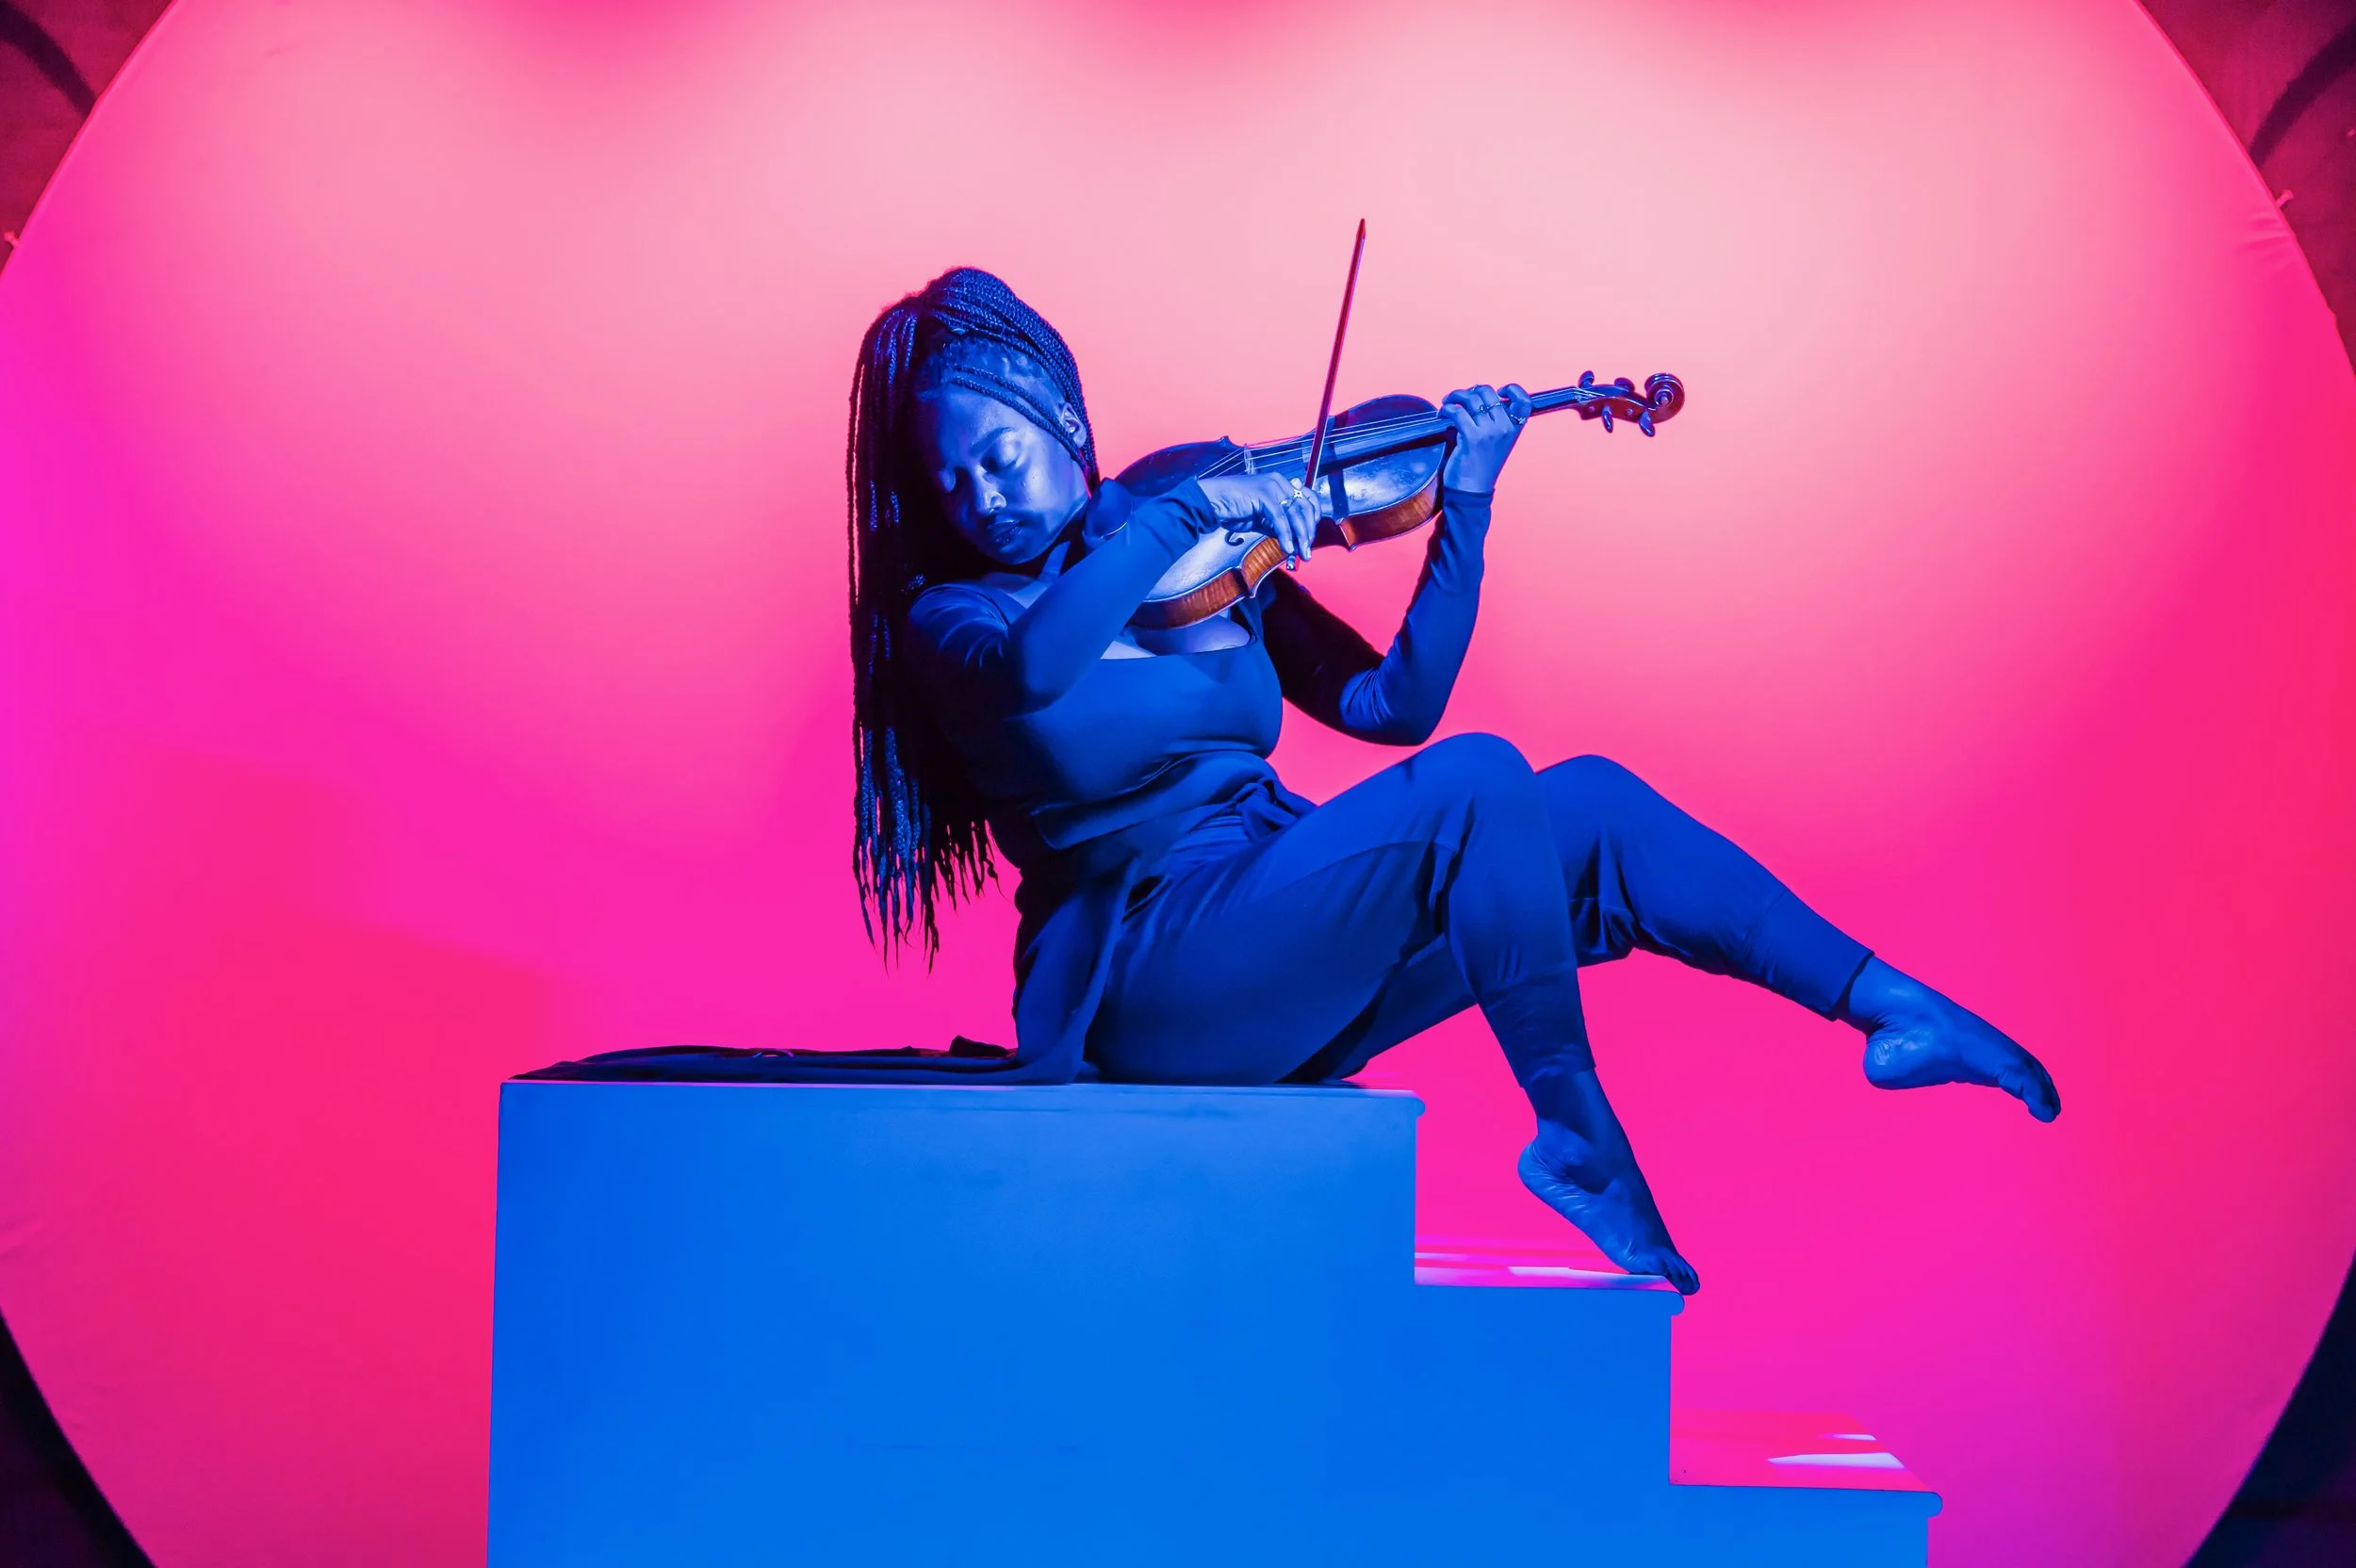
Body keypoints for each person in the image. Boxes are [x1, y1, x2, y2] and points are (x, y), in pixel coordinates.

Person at [846, 267, 2059, 1294]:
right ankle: (1576, 1136)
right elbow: (1035, 666)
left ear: (1063, 419)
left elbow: (1391, 708)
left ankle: (1888, 1006)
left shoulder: (1210, 554)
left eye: (999, 457)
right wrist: (1182, 519)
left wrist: (1463, 502)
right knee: (1479, 780)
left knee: (1585, 807)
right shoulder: (957, 614)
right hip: (1149, 973)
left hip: (1270, 921)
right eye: (952, 482)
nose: (983, 498)